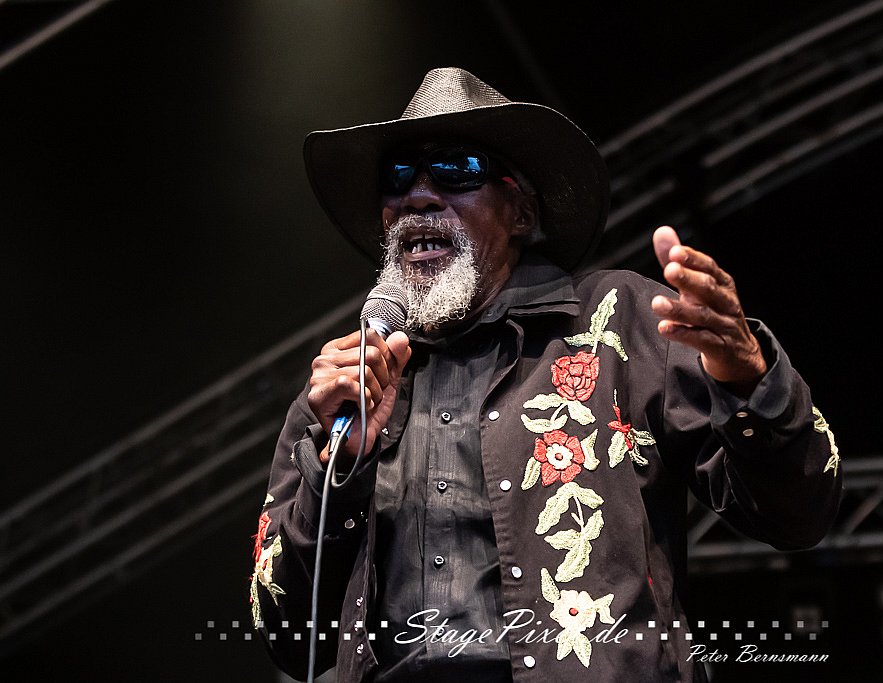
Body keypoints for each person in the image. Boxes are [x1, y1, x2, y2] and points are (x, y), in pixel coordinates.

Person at [249, 67, 843, 683]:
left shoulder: (620, 324)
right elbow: (288, 636)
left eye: (456, 170)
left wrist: (749, 378)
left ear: (521, 212)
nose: (418, 196)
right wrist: (339, 468)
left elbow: (798, 515)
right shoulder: (343, 387)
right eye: (398, 177)